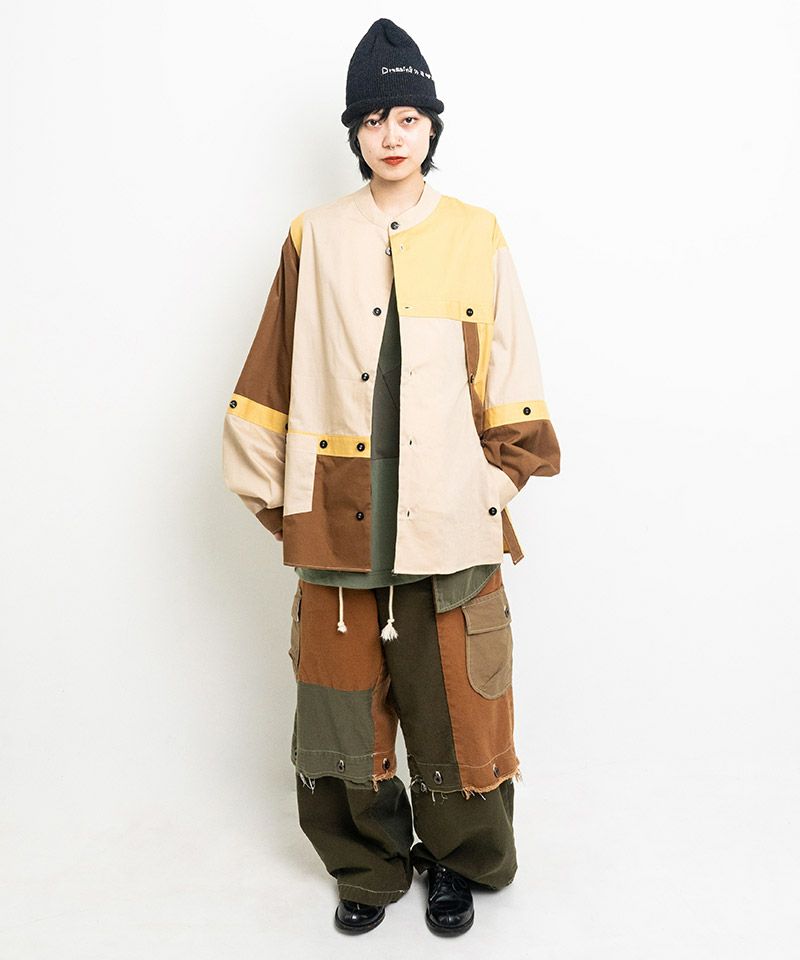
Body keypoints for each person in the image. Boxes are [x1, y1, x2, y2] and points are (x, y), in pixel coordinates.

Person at [222, 17, 561, 936]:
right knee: (340, 703)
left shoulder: (477, 233)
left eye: (408, 116)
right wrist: (279, 499)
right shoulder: (314, 235)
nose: (391, 134)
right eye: (373, 119)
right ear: (356, 133)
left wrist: (494, 485)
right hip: (339, 513)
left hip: (450, 510)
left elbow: (511, 368)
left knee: (457, 701)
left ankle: (458, 861)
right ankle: (367, 866)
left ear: (432, 126)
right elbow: (271, 368)